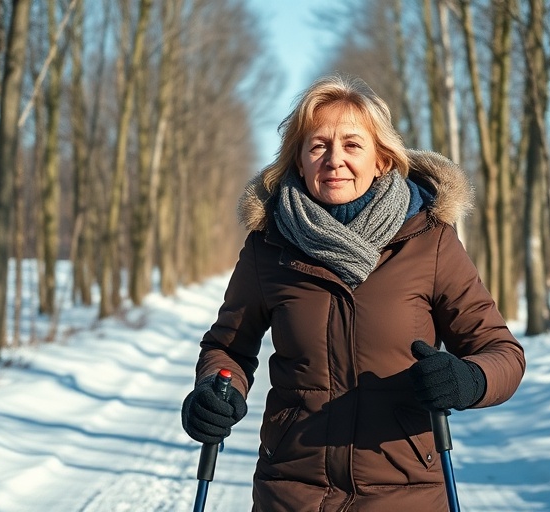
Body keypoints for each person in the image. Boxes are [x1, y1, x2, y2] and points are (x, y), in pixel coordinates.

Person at [181, 74, 525, 511]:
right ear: (299, 161)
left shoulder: (430, 241)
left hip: (405, 493)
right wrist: (213, 391)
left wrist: (469, 380)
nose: (334, 159)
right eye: (318, 145)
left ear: (382, 160)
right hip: (291, 490)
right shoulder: (268, 246)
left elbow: (502, 351)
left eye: (352, 145)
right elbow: (227, 346)